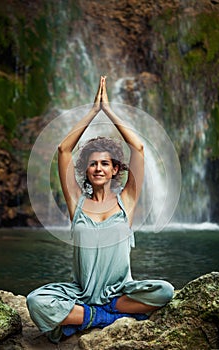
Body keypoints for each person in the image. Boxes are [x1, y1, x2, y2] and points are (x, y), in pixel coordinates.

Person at [26, 76, 174, 343]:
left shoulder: (126, 200)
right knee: (35, 301)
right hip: (80, 293)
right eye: (93, 164)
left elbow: (138, 148)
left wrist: (109, 110)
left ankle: (94, 314)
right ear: (87, 169)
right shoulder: (76, 202)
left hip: (120, 293)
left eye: (105, 163)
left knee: (165, 291)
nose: (98, 168)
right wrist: (93, 111)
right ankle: (102, 317)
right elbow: (63, 150)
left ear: (114, 169)